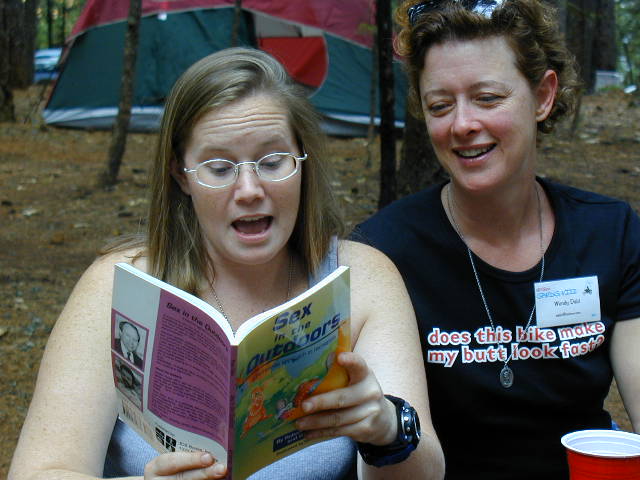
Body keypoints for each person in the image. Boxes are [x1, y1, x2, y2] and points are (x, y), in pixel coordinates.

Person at [9, 47, 445, 480]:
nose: (250, 189)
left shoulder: (363, 280)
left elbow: (427, 474)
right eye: (219, 168)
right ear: (181, 175)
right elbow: (41, 470)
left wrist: (389, 430)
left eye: (272, 162)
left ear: (302, 162)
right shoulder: (116, 286)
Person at [354, 0, 640, 478]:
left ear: (543, 95)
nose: (462, 124)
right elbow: (390, 448)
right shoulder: (383, 252)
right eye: (440, 105)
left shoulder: (610, 233)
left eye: (487, 98)